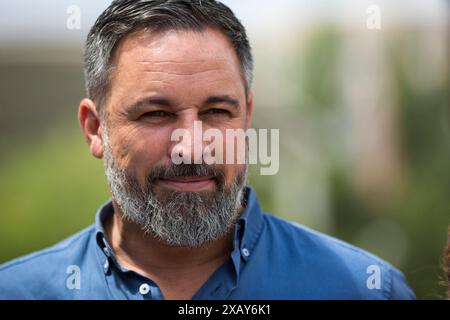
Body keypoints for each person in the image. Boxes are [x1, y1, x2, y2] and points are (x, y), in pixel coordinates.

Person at [0, 0, 415, 299]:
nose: (192, 146)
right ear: (95, 129)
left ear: (246, 117)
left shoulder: (363, 289)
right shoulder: (20, 291)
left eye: (216, 111)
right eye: (156, 114)